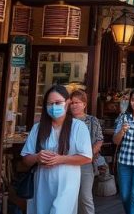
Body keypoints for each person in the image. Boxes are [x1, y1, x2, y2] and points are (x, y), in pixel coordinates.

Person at [21, 86, 93, 214]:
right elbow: (26, 159)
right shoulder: (38, 128)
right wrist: (38, 157)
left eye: (58, 103)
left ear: (67, 103)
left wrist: (61, 159)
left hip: (68, 182)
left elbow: (87, 157)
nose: (54, 107)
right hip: (42, 182)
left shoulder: (78, 127)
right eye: (50, 104)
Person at [68, 89, 103, 214]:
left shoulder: (92, 121)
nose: (74, 105)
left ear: (84, 104)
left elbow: (99, 140)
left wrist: (89, 152)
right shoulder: (65, 121)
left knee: (85, 197)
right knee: (69, 196)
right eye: (71, 103)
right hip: (67, 162)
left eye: (77, 102)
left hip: (86, 163)